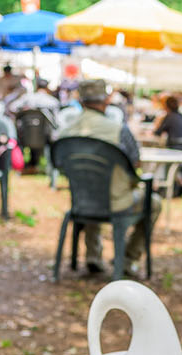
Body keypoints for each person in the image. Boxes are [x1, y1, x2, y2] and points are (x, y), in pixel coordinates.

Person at [56, 79, 158, 275]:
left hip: (81, 200)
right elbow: (136, 162)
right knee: (154, 203)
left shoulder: (66, 132)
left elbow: (60, 165)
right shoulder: (119, 130)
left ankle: (93, 255)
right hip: (116, 202)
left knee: (93, 185)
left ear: (81, 100)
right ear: (106, 100)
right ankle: (128, 258)